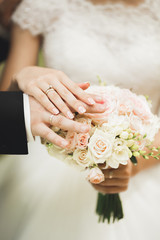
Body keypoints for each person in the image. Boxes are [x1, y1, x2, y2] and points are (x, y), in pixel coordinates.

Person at [0, 0, 160, 239]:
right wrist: (20, 78)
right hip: (51, 160)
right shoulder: (40, 6)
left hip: (146, 162)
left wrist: (133, 164)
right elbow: (6, 111)